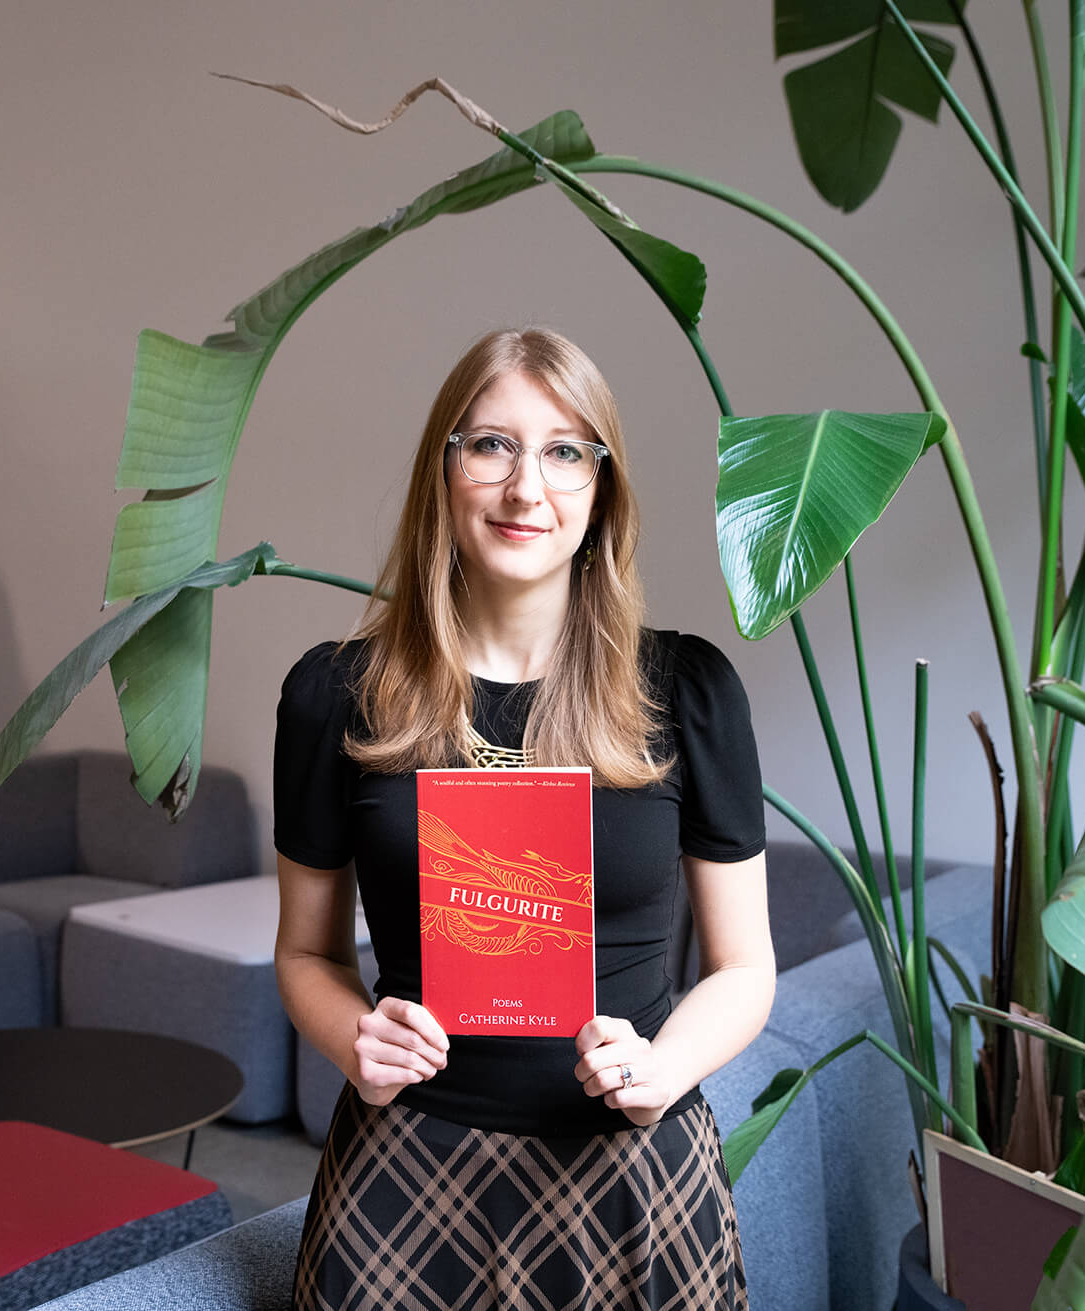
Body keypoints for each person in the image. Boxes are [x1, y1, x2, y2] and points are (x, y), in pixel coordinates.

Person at [273, 327, 776, 1310]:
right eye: (491, 445)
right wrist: (354, 1042)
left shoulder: (690, 691)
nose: (525, 488)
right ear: (443, 469)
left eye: (564, 451)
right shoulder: (335, 694)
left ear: (602, 488)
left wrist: (663, 1064)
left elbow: (746, 967)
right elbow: (306, 955)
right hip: (403, 1171)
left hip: (632, 1174)